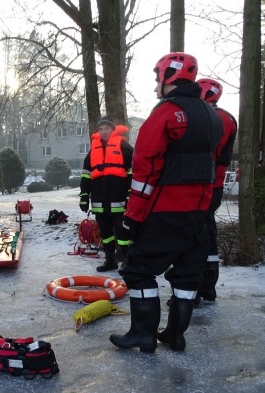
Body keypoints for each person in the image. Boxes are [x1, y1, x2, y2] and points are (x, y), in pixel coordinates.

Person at [110, 52, 223, 353]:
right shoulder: (213, 116)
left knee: (138, 269)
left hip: (167, 211)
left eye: (157, 78)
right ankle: (175, 334)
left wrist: (131, 219)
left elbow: (145, 172)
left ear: (168, 76)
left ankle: (143, 335)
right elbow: (216, 165)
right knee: (188, 274)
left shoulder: (165, 114)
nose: (155, 86)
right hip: (199, 213)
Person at [195, 78, 238, 304]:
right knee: (208, 232)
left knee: (195, 235)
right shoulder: (227, 118)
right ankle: (208, 287)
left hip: (202, 185)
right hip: (215, 184)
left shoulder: (213, 117)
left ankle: (194, 287)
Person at [79, 116, 134, 272]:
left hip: (120, 200)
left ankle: (126, 261)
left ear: (113, 130)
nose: (103, 132)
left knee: (123, 233)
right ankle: (110, 260)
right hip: (99, 201)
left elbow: (133, 172)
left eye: (107, 128)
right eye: (101, 129)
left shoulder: (124, 146)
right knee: (105, 233)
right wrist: (84, 196)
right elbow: (86, 175)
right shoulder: (92, 150)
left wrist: (131, 194)